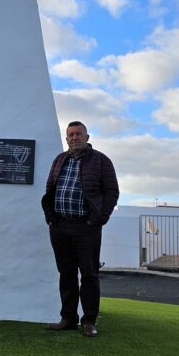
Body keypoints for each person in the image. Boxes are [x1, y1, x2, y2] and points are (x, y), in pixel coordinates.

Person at [40, 121, 119, 338]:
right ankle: (68, 318)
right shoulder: (60, 160)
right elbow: (50, 187)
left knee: (89, 275)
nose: (74, 138)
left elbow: (112, 192)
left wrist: (99, 219)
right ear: (66, 138)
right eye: (71, 135)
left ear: (87, 137)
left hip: (87, 227)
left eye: (78, 134)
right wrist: (50, 218)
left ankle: (89, 321)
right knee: (66, 274)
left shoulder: (101, 161)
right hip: (60, 226)